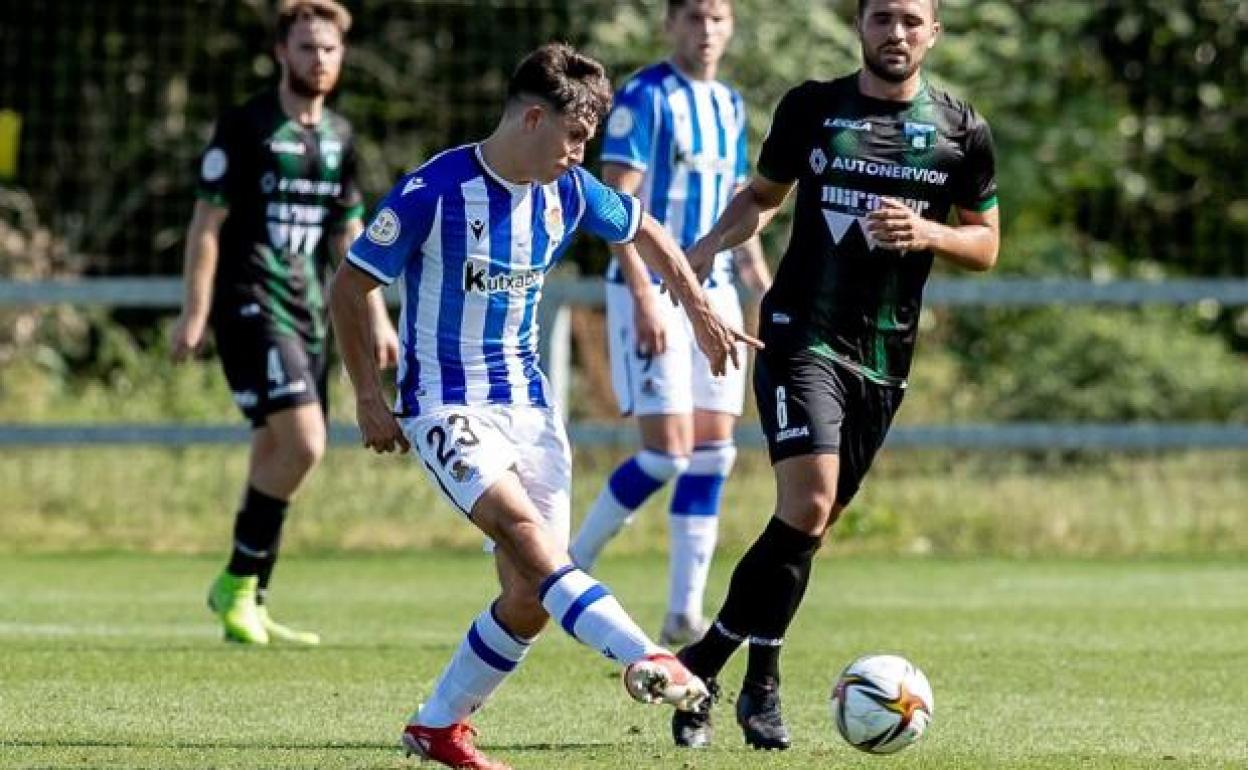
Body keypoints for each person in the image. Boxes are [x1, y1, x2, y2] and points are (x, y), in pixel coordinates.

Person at [328, 43, 762, 770]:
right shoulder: (433, 190)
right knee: (529, 536)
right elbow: (349, 286)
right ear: (533, 117)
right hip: (443, 403)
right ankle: (645, 655)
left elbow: (648, 230)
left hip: (528, 406)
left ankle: (438, 726)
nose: (580, 152)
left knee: (528, 595)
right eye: (575, 136)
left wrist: (697, 308)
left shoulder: (569, 191)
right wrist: (369, 395)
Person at [669, 0, 1000, 750]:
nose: (898, 33)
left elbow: (986, 244)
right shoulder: (814, 108)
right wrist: (705, 249)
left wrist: (927, 231)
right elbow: (762, 198)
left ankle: (728, 673)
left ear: (934, 33)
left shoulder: (961, 131)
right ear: (860, 26)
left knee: (807, 528)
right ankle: (731, 674)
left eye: (913, 20)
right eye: (882, 18)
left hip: (884, 358)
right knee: (809, 502)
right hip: (800, 335)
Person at [170, 0, 398, 646]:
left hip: (309, 312)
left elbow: (350, 238)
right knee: (305, 442)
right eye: (306, 48)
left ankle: (252, 598)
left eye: (328, 49)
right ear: (281, 53)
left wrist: (377, 316)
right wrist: (194, 311)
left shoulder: (342, 139)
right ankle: (237, 581)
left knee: (275, 451)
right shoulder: (246, 126)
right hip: (248, 304)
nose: (318, 60)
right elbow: (205, 226)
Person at [568, 0, 771, 648]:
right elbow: (615, 206)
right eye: (693, 17)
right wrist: (644, 294)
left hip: (716, 296)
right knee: (666, 453)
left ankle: (684, 611)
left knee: (714, 453)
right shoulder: (644, 97)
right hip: (650, 292)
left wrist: (758, 278)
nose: (706, 30)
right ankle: (568, 565)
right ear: (670, 25)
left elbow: (743, 205)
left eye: (717, 18)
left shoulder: (730, 106)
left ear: (731, 26)